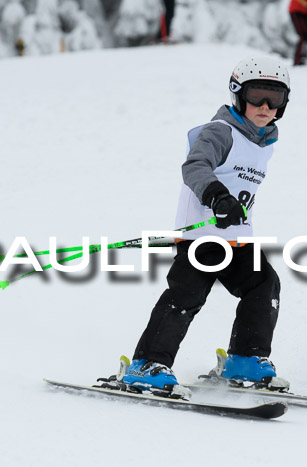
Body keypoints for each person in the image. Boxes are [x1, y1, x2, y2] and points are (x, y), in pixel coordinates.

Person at [116, 57, 292, 400]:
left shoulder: (263, 143)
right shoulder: (220, 132)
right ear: (238, 95)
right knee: (186, 296)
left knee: (264, 284)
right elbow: (195, 166)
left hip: (237, 241)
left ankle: (243, 360)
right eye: (257, 96)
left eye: (276, 98)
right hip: (200, 238)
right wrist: (217, 197)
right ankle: (146, 365)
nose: (266, 106)